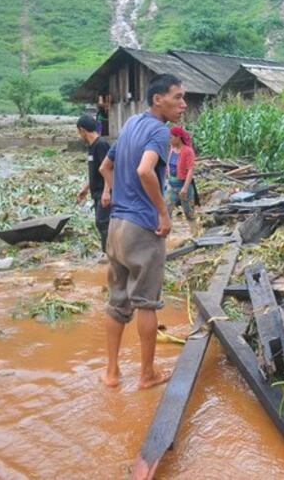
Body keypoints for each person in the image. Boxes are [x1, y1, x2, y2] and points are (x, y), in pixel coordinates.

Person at [98, 73, 186, 390]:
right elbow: (145, 170)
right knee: (146, 302)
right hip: (141, 227)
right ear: (158, 99)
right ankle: (147, 374)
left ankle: (111, 373)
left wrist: (112, 192)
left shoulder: (131, 124)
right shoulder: (159, 132)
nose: (183, 104)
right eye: (177, 97)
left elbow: (105, 167)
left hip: (116, 226)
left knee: (117, 301)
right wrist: (162, 212)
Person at [75, 114, 111, 253]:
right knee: (101, 223)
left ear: (82, 130)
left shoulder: (101, 145)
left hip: (104, 193)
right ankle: (110, 253)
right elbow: (96, 171)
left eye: (79, 132)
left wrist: (107, 192)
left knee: (103, 223)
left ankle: (109, 255)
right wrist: (85, 189)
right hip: (97, 193)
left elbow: (109, 169)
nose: (79, 135)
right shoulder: (92, 146)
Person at [166, 125, 199, 235]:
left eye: (171, 137)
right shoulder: (171, 150)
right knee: (166, 211)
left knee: (189, 213)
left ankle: (195, 235)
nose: (169, 139)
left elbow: (190, 170)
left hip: (184, 186)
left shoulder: (187, 151)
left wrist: (185, 188)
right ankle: (166, 238)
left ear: (178, 137)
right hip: (172, 185)